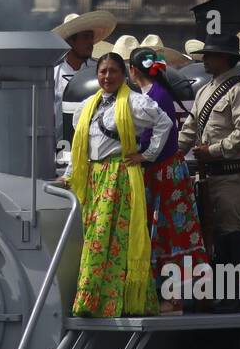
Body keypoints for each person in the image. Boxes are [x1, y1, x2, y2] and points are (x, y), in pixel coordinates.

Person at [61, 52, 173, 318]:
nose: (107, 76)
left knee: (114, 240)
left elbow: (164, 122)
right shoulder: (88, 104)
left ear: (124, 75)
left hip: (119, 176)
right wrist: (69, 175)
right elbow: (80, 145)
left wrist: (146, 155)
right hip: (94, 178)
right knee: (93, 238)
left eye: (113, 71)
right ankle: (94, 298)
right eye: (103, 72)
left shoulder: (134, 102)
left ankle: (112, 301)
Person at [177, 33, 240, 313]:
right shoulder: (204, 91)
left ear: (224, 58)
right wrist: (173, 153)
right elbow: (189, 128)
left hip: (231, 174)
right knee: (211, 235)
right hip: (208, 174)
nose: (205, 60)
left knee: (230, 234)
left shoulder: (239, 89)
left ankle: (231, 296)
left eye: (210, 55)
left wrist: (212, 150)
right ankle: (215, 293)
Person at [127, 44, 209, 315]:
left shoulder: (155, 95)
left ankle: (174, 299)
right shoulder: (158, 92)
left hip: (162, 172)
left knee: (170, 234)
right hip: (164, 171)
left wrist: (139, 153)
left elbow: (156, 136)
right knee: (169, 234)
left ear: (132, 71)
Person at [52, 10, 117, 142]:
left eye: (91, 37)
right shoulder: (54, 74)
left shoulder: (99, 71)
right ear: (70, 42)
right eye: (85, 37)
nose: (91, 43)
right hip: (63, 143)